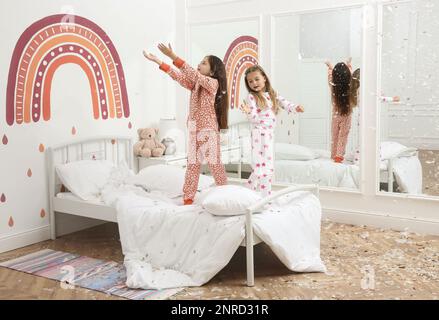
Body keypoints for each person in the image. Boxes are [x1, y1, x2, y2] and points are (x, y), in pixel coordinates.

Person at [143, 44, 228, 205]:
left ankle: (226, 194)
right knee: (192, 166)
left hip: (208, 131)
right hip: (195, 131)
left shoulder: (212, 83)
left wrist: (173, 56)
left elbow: (192, 74)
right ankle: (188, 198)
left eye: (204, 63)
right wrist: (158, 61)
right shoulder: (196, 84)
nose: (199, 64)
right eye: (200, 62)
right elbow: (179, 76)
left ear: (212, 71)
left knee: (215, 165)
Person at [239, 65, 304, 196]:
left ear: (264, 78)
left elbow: (285, 103)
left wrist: (296, 108)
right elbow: (254, 119)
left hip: (268, 134)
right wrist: (248, 112)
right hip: (259, 133)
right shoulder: (252, 97)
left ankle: (257, 194)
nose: (254, 83)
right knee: (262, 167)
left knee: (265, 167)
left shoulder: (272, 94)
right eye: (250, 81)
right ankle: (253, 195)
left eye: (256, 79)